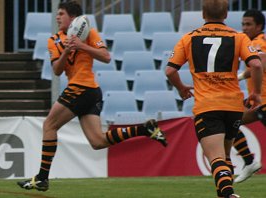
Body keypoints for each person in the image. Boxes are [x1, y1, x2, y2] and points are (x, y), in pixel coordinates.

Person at [17, 0, 166, 192]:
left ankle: (42, 178)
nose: (57, 17)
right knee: (98, 142)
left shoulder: (88, 33)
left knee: (49, 125)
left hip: (83, 87)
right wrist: (67, 51)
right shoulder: (53, 40)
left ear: (73, 18)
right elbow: (56, 70)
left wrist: (81, 45)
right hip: (87, 91)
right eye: (57, 14)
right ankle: (145, 130)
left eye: (61, 14)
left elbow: (106, 57)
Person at [165, 0, 263, 197]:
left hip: (207, 105)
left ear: (203, 14)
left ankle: (228, 194)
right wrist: (256, 93)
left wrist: (182, 88)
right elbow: (257, 65)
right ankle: (227, 191)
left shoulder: (189, 38)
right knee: (225, 157)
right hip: (233, 105)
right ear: (226, 14)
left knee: (216, 158)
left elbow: (170, 71)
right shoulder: (239, 37)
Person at [232, 9, 266, 183]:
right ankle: (250, 162)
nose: (244, 28)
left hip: (264, 99)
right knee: (230, 122)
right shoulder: (251, 42)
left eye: (248, 24)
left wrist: (239, 76)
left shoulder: (259, 41)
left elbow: (260, 62)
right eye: (243, 24)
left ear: (259, 26)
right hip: (258, 101)